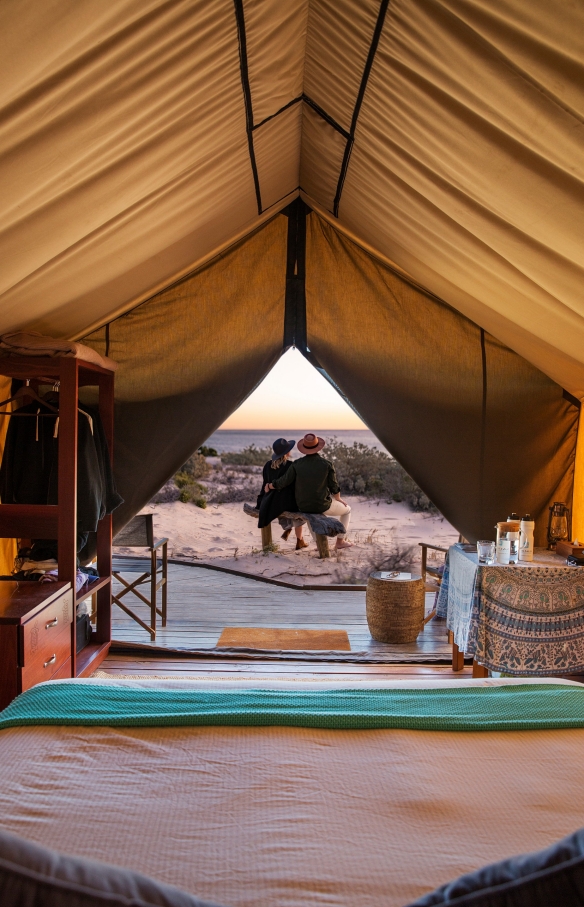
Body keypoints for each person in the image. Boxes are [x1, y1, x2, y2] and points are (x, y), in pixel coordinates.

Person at [266, 433, 352, 550]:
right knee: (347, 511)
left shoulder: (296, 464)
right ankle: (340, 541)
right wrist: (338, 499)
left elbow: (283, 482)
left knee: (310, 513)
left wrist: (270, 485)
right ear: (318, 447)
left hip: (303, 506)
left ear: (303, 449)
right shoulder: (327, 464)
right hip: (322, 505)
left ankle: (318, 544)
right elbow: (334, 486)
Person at [256, 438, 307, 550]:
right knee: (300, 511)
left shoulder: (267, 465)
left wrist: (260, 501)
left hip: (270, 500)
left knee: (290, 505)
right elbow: (295, 486)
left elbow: (264, 485)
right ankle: (299, 540)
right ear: (287, 452)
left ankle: (290, 529)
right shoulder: (290, 465)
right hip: (285, 502)